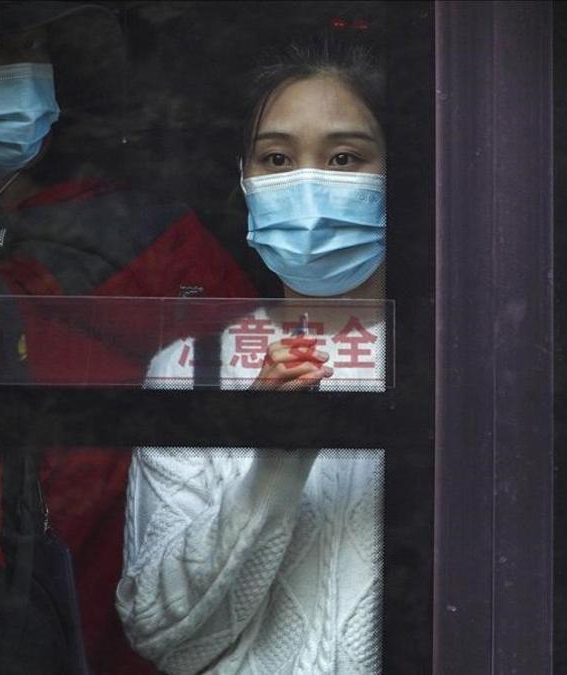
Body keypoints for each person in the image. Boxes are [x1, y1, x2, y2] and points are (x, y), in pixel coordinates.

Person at [0, 3, 255, 673]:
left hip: (141, 626)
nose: (15, 67)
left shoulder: (161, 244)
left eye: (33, 47)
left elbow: (247, 442)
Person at [116, 40, 387, 674]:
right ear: (245, 180)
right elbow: (161, 635)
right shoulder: (193, 368)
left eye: (345, 157)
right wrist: (274, 464)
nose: (308, 182)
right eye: (276, 158)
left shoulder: (463, 365)